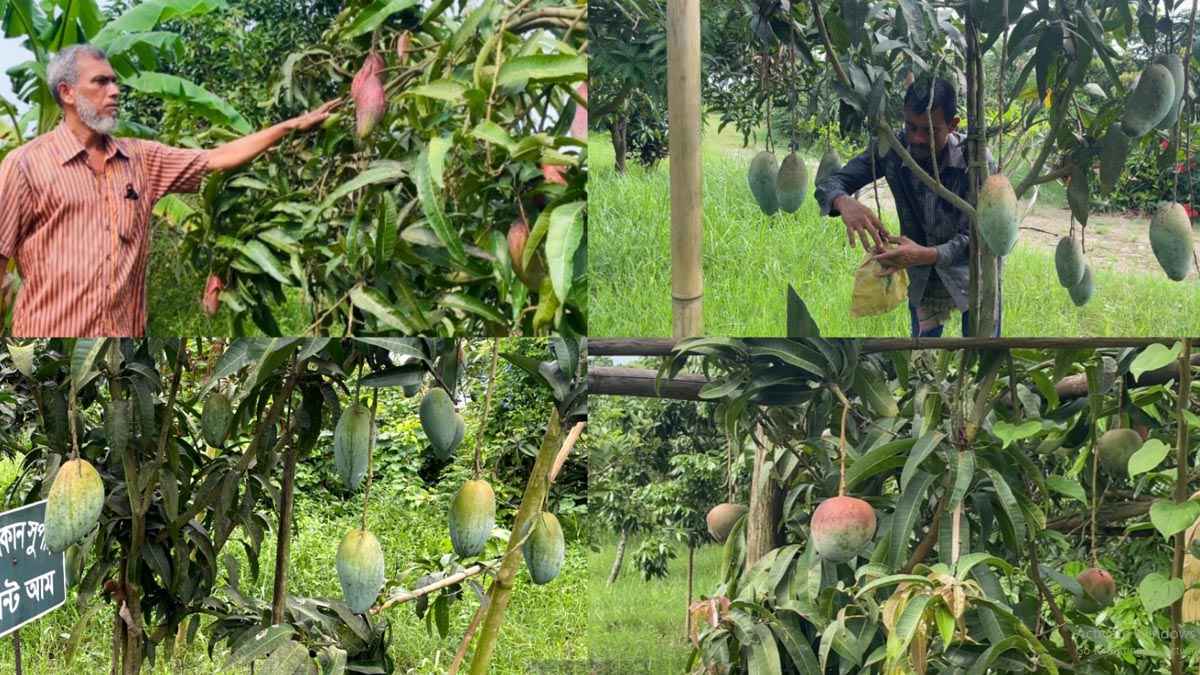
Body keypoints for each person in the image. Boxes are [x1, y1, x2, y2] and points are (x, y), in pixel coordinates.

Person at [0, 44, 341, 337]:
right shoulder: (25, 165)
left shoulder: (142, 159)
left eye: (115, 81)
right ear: (67, 92)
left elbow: (216, 158)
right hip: (48, 341)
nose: (115, 90)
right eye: (101, 82)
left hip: (123, 343)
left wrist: (291, 125)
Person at [815, 76, 1001, 337]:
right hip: (924, 281)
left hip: (974, 277)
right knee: (923, 362)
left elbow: (985, 237)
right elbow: (830, 182)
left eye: (929, 130)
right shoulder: (895, 148)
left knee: (982, 360)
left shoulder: (977, 163)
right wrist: (843, 200)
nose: (917, 138)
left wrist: (928, 254)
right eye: (911, 127)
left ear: (952, 124)